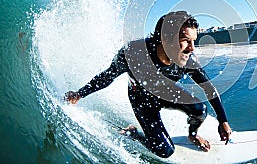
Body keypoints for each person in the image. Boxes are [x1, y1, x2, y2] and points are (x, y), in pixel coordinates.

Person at [64, 11, 232, 158]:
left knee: (200, 110)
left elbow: (209, 89)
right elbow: (108, 76)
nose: (192, 49)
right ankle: (134, 134)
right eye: (186, 41)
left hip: (166, 92)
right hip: (141, 99)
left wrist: (222, 120)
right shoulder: (134, 53)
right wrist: (79, 94)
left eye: (194, 41)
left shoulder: (189, 61)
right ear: (165, 38)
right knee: (165, 151)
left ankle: (193, 135)